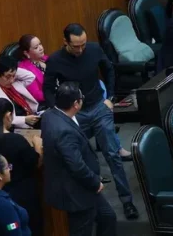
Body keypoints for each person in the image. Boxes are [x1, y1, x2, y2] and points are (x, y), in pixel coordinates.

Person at [43, 24, 138, 220]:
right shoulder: (55, 60)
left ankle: (127, 201)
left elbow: (109, 70)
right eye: (75, 46)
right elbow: (48, 89)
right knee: (82, 160)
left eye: (83, 45)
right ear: (65, 42)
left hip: (97, 106)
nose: (80, 50)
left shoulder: (94, 49)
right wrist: (60, 112)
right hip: (74, 114)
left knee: (112, 153)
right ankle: (95, 206)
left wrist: (110, 97)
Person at [41, 83, 117, 236]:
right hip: (76, 192)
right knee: (82, 230)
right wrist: (95, 183)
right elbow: (76, 166)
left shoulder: (49, 114)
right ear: (76, 104)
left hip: (81, 186)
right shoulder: (64, 131)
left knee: (108, 217)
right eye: (81, 98)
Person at [0, 98, 42, 235]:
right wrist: (38, 146)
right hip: (21, 195)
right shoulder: (17, 141)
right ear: (8, 115)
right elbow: (36, 163)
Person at [0, 56, 39, 130]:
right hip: (14, 128)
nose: (12, 80)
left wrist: (12, 71)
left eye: (14, 76)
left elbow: (30, 76)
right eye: (8, 77)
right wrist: (24, 119)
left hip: (31, 117)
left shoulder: (15, 83)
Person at [16, 35, 47, 104]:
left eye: (40, 44)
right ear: (26, 53)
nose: (41, 48)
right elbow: (36, 94)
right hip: (45, 103)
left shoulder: (46, 59)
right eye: (36, 47)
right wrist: (56, 95)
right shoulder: (24, 69)